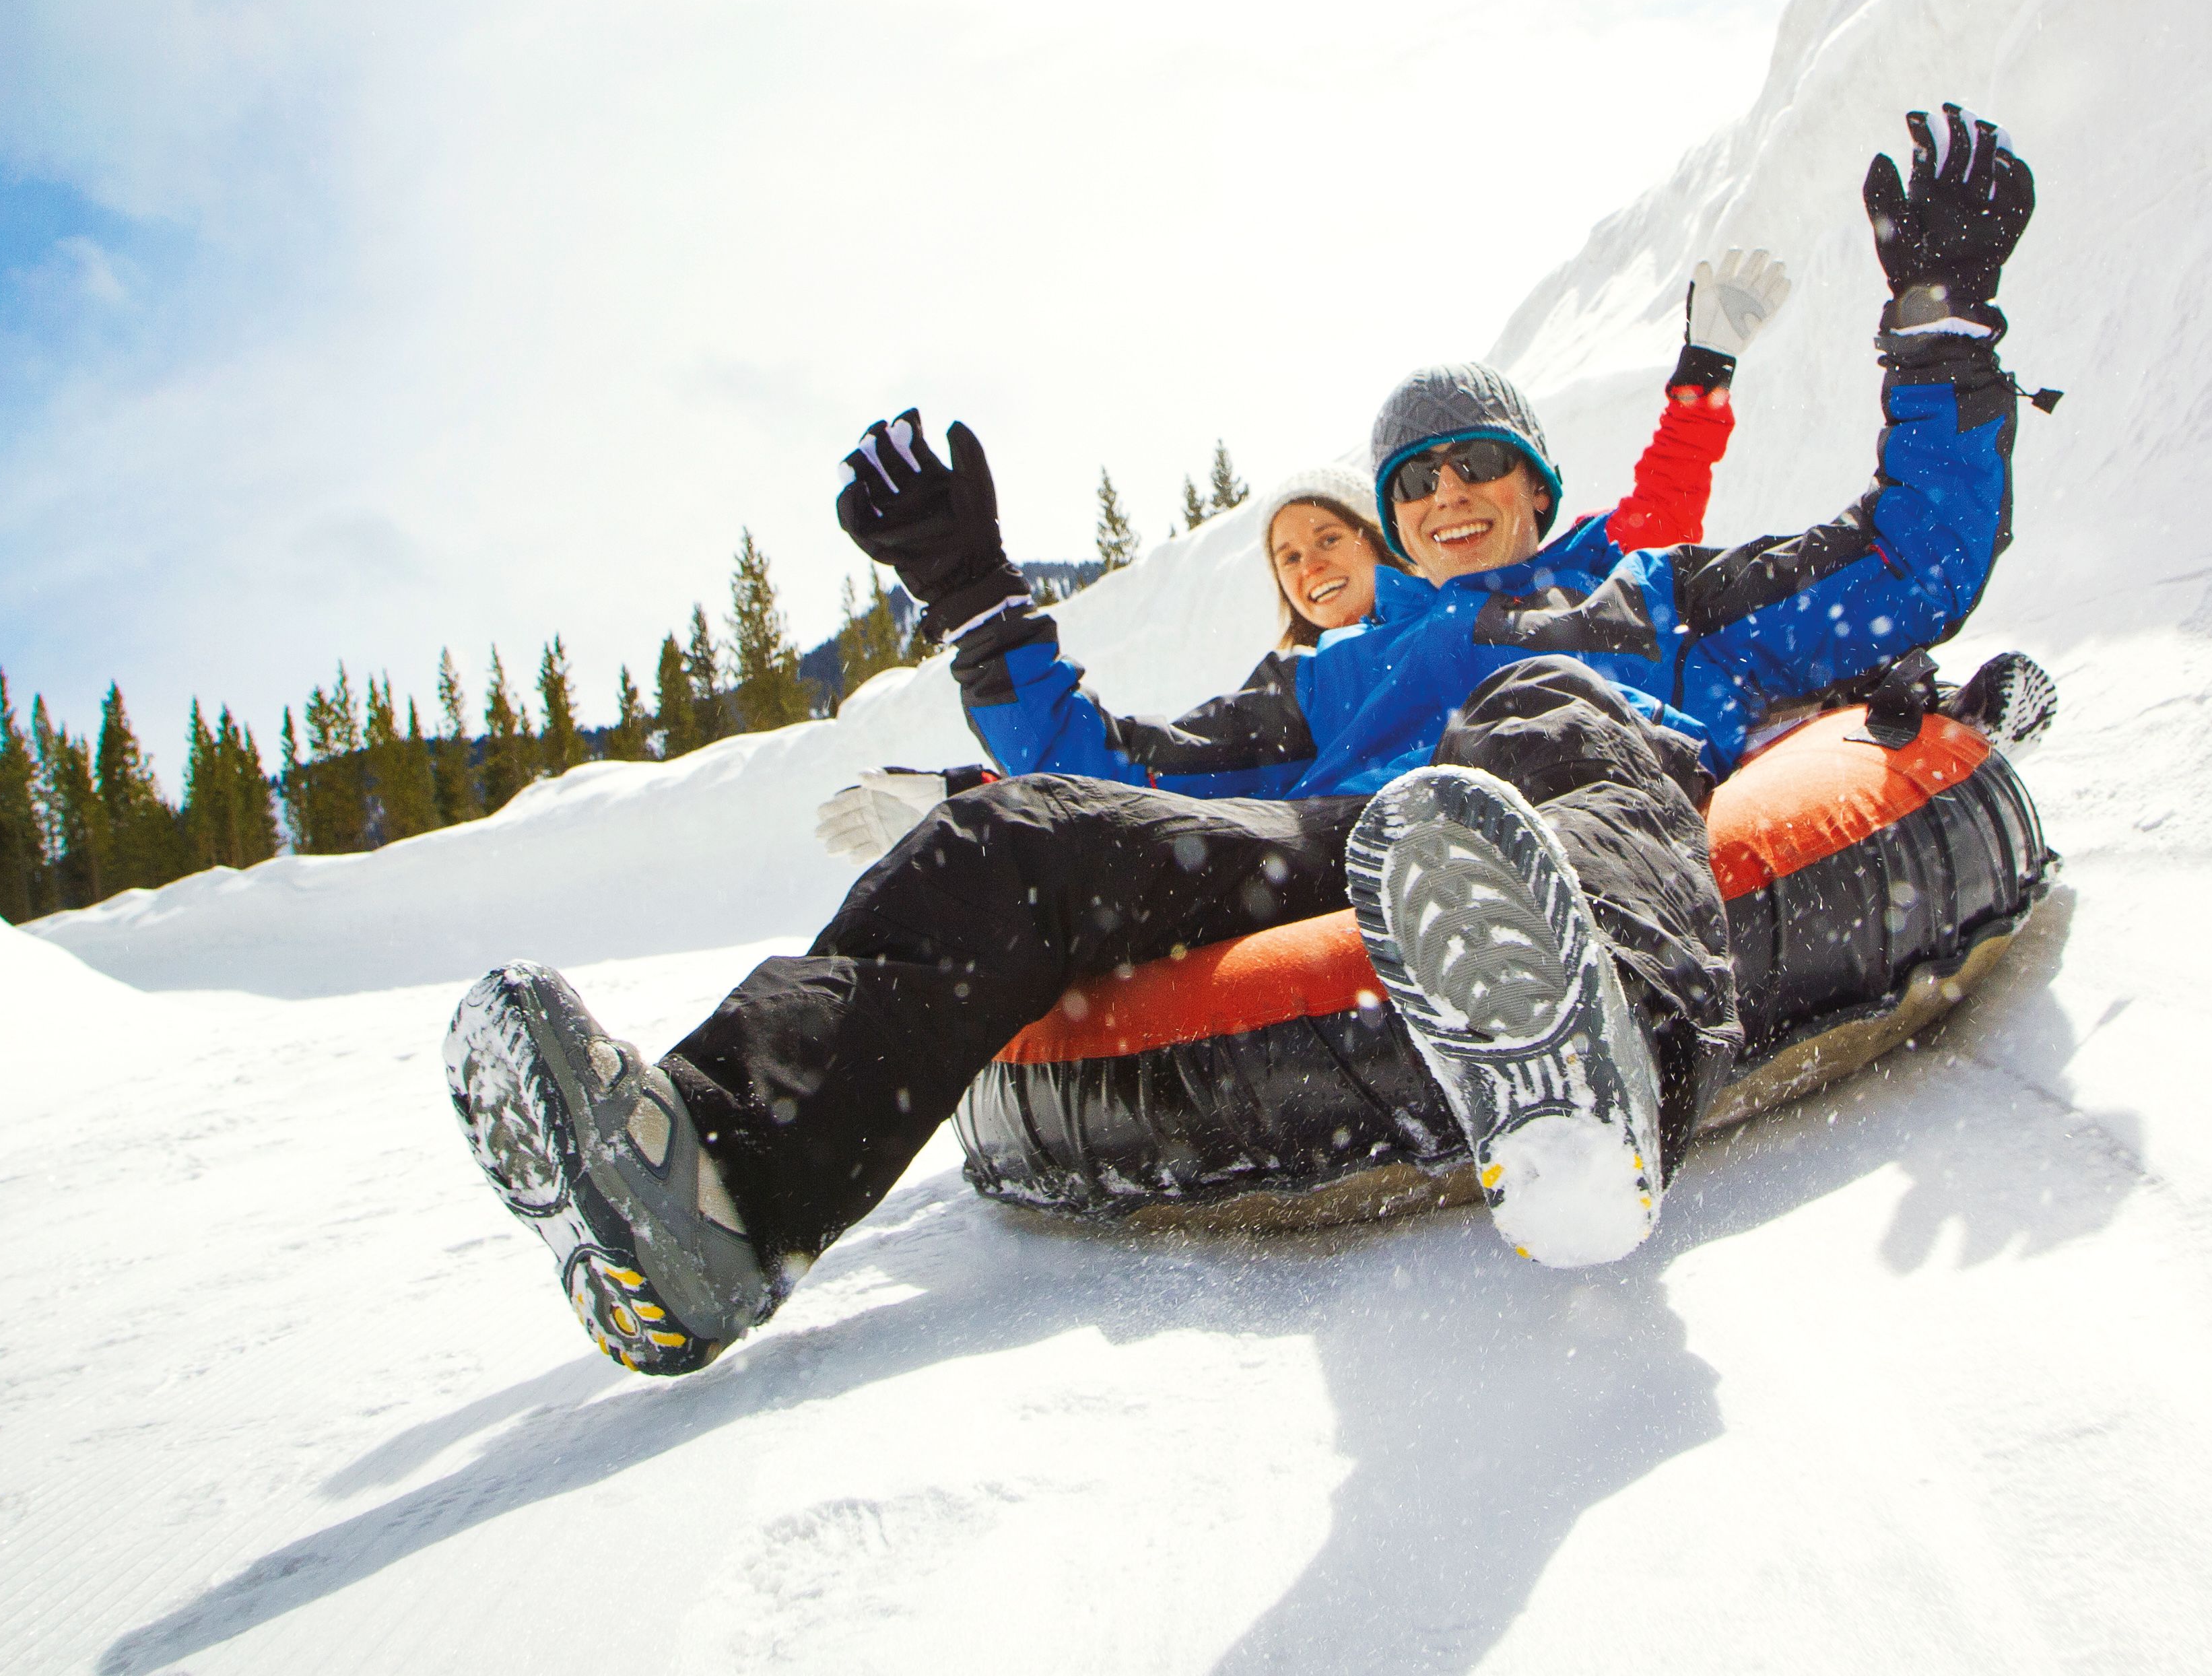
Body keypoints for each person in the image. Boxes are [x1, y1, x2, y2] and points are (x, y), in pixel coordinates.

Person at [446, 105, 2038, 1376]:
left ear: (1540, 490)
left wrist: (1942, 318)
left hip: (1577, 818)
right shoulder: (1341, 680)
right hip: (1373, 851)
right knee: (1008, 839)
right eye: (1416, 482)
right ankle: (717, 1196)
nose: (1447, 495)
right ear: (1398, 525)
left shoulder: (1665, 591)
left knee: (1536, 709)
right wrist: (975, 596)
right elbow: (1121, 771)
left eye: (1481, 464)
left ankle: (1589, 1076)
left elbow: (1915, 562)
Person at [811, 246, 1792, 862]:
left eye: (1330, 538)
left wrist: (1703, 373)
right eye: (1288, 558)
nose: (1313, 566)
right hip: (1365, 857)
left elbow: (1664, 514)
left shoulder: (1576, 589)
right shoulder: (1325, 685)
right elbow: (1161, 775)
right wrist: (980, 770)